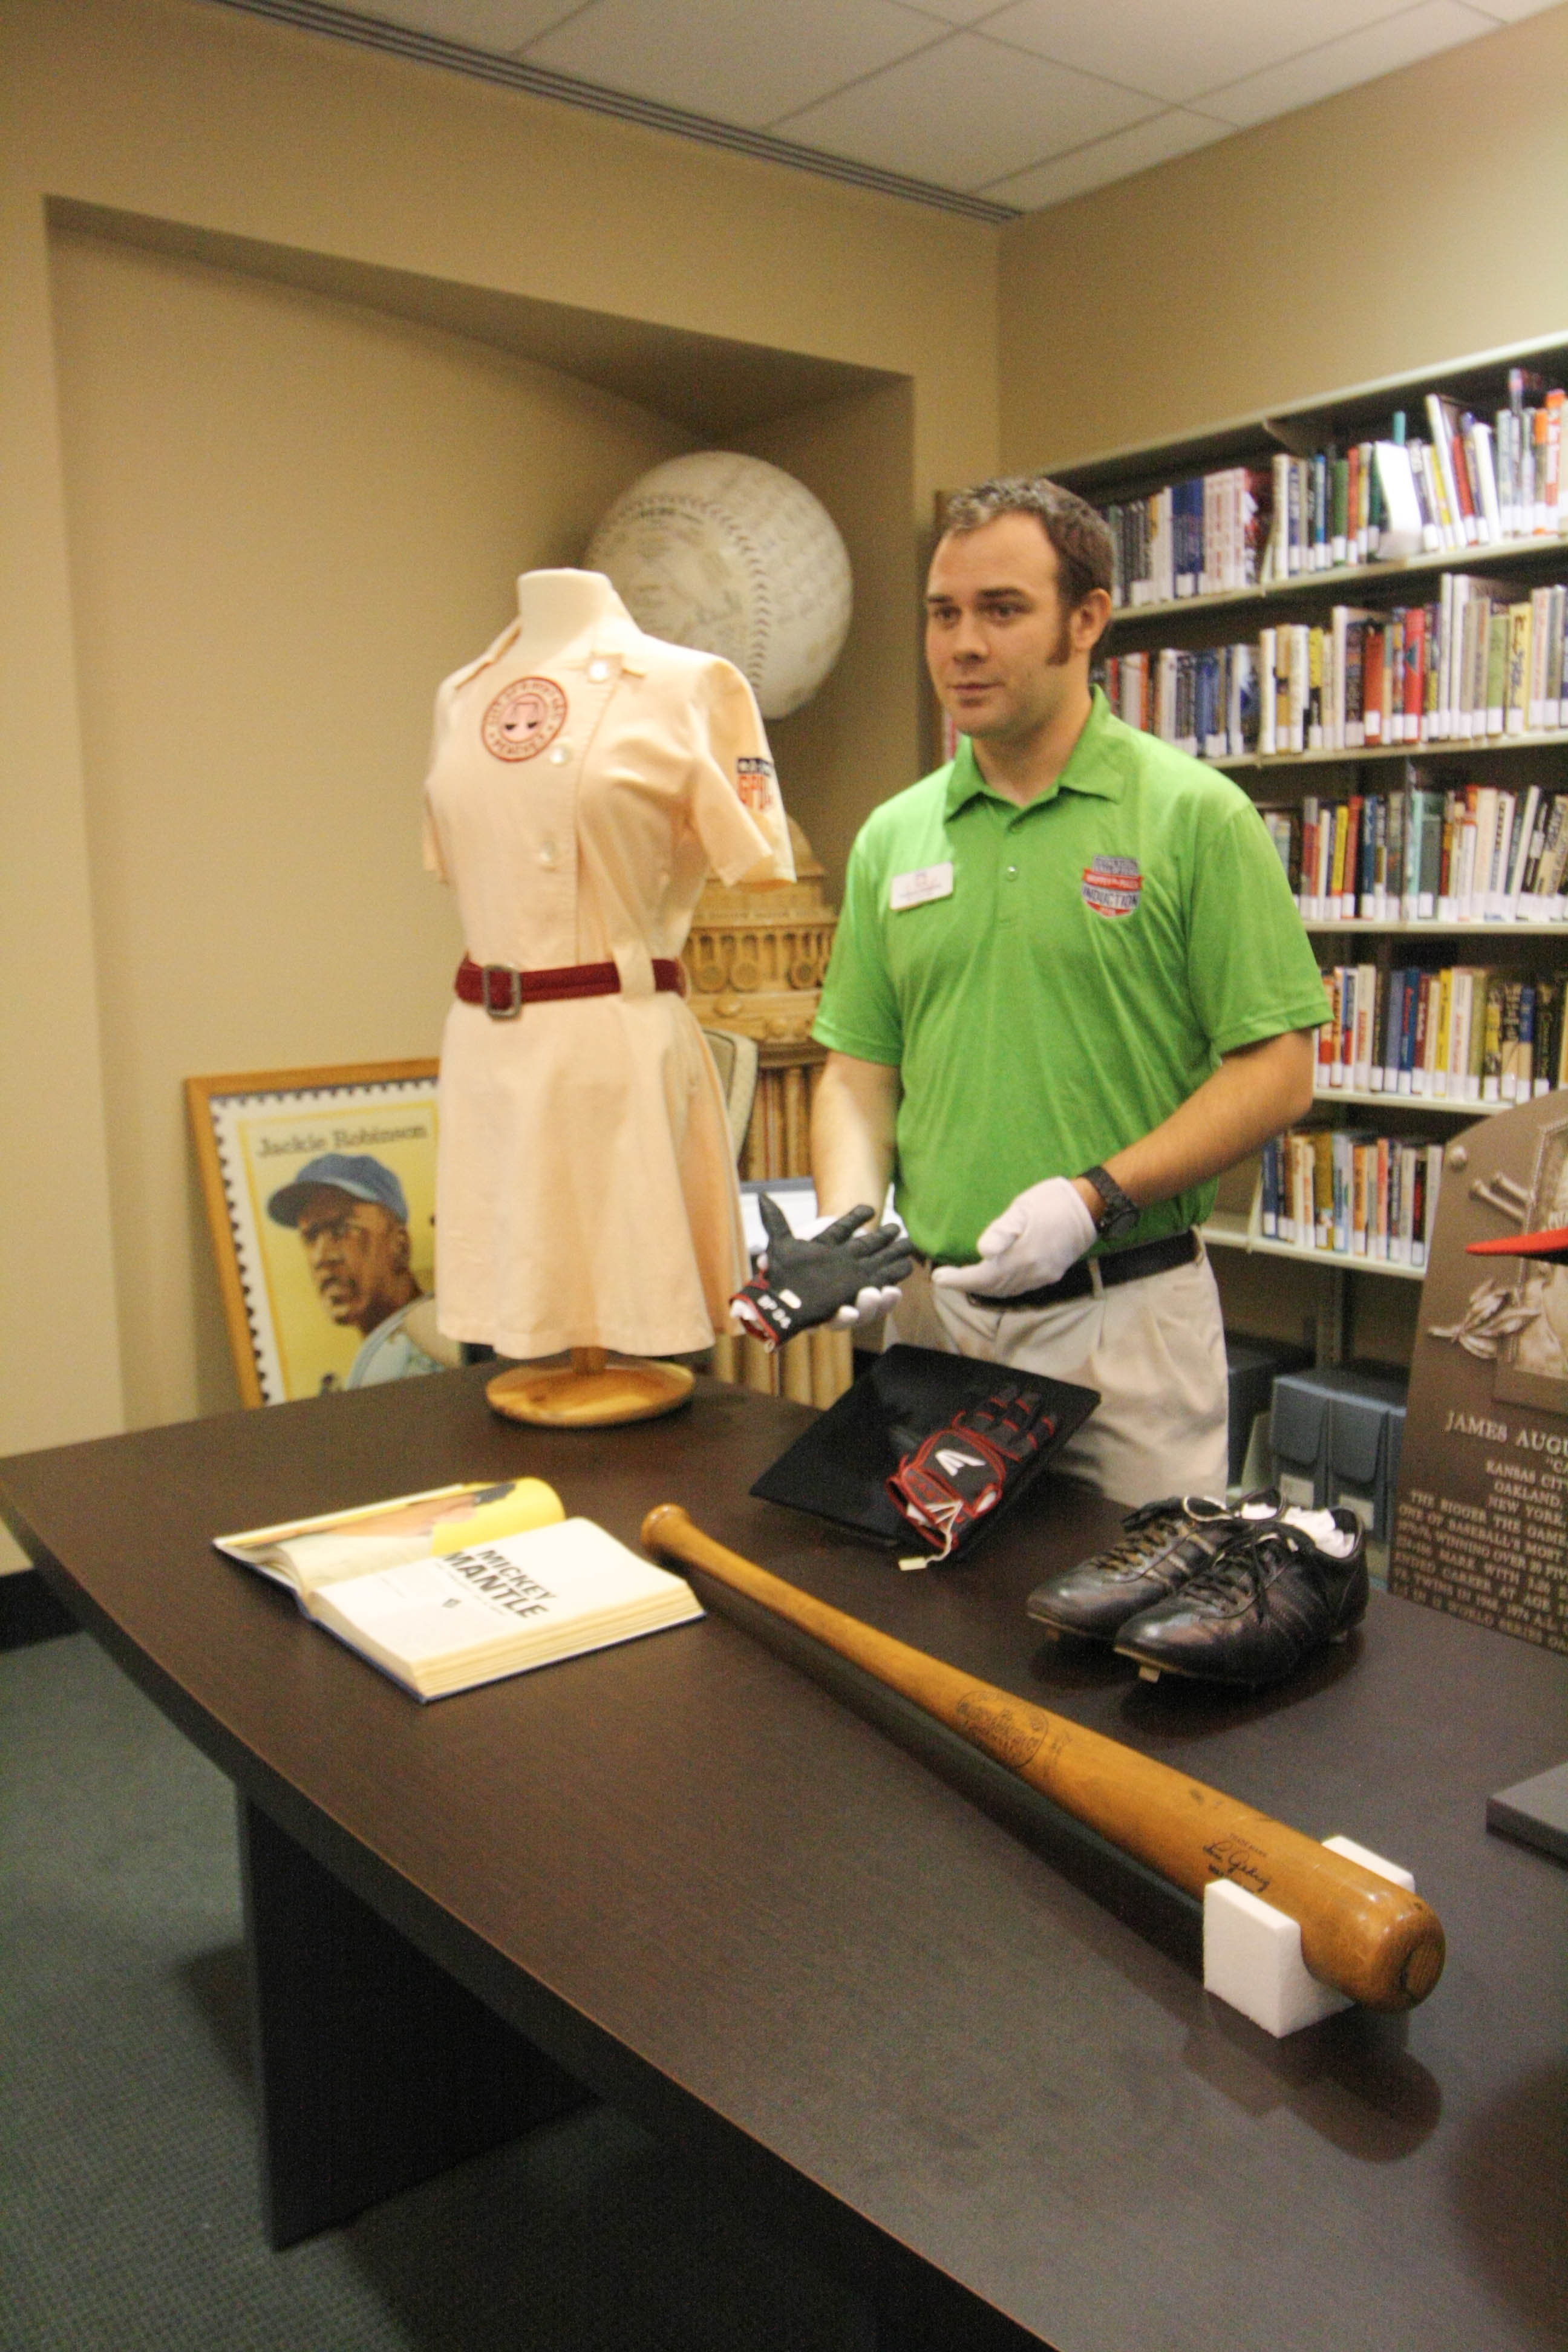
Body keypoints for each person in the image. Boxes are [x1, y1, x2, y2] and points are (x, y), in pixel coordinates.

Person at [805, 475, 1328, 1504]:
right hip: (936, 1325)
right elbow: (858, 1075)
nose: (962, 645)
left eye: (1001, 610)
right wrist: (849, 1228)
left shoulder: (1195, 818)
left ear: (1086, 620)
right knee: (928, 1591)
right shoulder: (892, 837)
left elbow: (1277, 1073)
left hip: (1122, 1324)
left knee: (1126, 1593)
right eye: (943, 613)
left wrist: (1093, 1199)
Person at [266, 1151, 449, 1390]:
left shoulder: (432, 1346)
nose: (321, 1257)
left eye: (342, 1230)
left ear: (400, 1245)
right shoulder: (386, 1353)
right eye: (311, 1236)